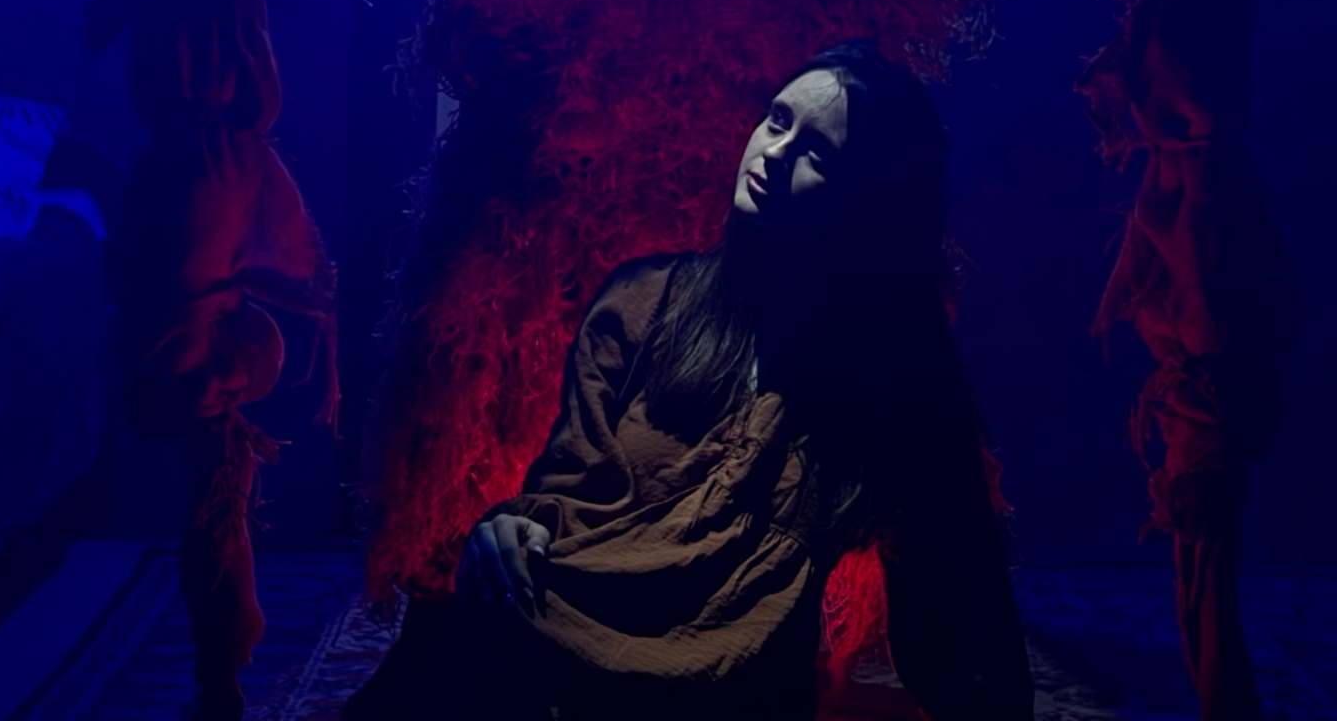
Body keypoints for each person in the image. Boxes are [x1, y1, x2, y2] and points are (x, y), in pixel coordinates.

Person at [345, 40, 1030, 721]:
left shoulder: (893, 375)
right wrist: (510, 530)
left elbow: (959, 612)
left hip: (730, 688)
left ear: (871, 202)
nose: (774, 152)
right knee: (444, 650)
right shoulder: (643, 302)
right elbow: (569, 490)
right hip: (563, 641)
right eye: (777, 120)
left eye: (818, 153)